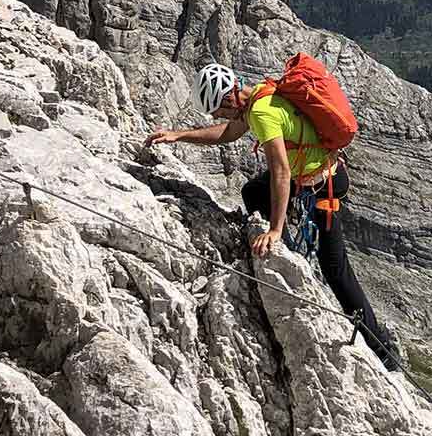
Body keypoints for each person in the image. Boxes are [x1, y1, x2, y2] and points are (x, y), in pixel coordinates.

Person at [145, 63, 399, 370]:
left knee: (335, 269)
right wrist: (178, 135)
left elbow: (281, 172)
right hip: (307, 174)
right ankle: (292, 250)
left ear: (229, 100)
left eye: (219, 111)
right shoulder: (257, 98)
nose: (219, 117)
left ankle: (381, 348)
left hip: (323, 185)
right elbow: (227, 134)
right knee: (253, 191)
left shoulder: (262, 113)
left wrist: (276, 230)